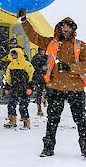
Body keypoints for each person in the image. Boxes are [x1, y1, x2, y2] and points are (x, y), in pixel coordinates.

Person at [18, 9, 86, 157]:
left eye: (69, 26)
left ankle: (85, 148)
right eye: (64, 26)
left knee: (81, 120)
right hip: (55, 87)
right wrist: (24, 21)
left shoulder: (81, 45)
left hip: (76, 88)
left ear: (73, 29)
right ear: (60, 28)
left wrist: (71, 67)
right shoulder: (51, 42)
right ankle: (48, 148)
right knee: (52, 120)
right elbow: (34, 37)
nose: (66, 29)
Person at [3, 48, 34, 130]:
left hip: (24, 88)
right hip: (14, 88)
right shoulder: (10, 65)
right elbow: (8, 77)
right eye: (12, 55)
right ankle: (12, 121)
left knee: (23, 106)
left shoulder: (26, 64)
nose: (13, 56)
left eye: (15, 54)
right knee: (11, 105)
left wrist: (30, 87)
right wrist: (7, 87)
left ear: (19, 54)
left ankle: (26, 123)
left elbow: (32, 75)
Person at [31, 47, 48, 116]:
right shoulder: (35, 58)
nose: (43, 52)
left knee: (49, 90)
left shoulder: (47, 57)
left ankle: (44, 99)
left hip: (46, 77)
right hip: (39, 77)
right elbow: (33, 68)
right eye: (41, 51)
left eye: (43, 50)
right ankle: (39, 107)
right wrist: (41, 69)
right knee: (39, 92)